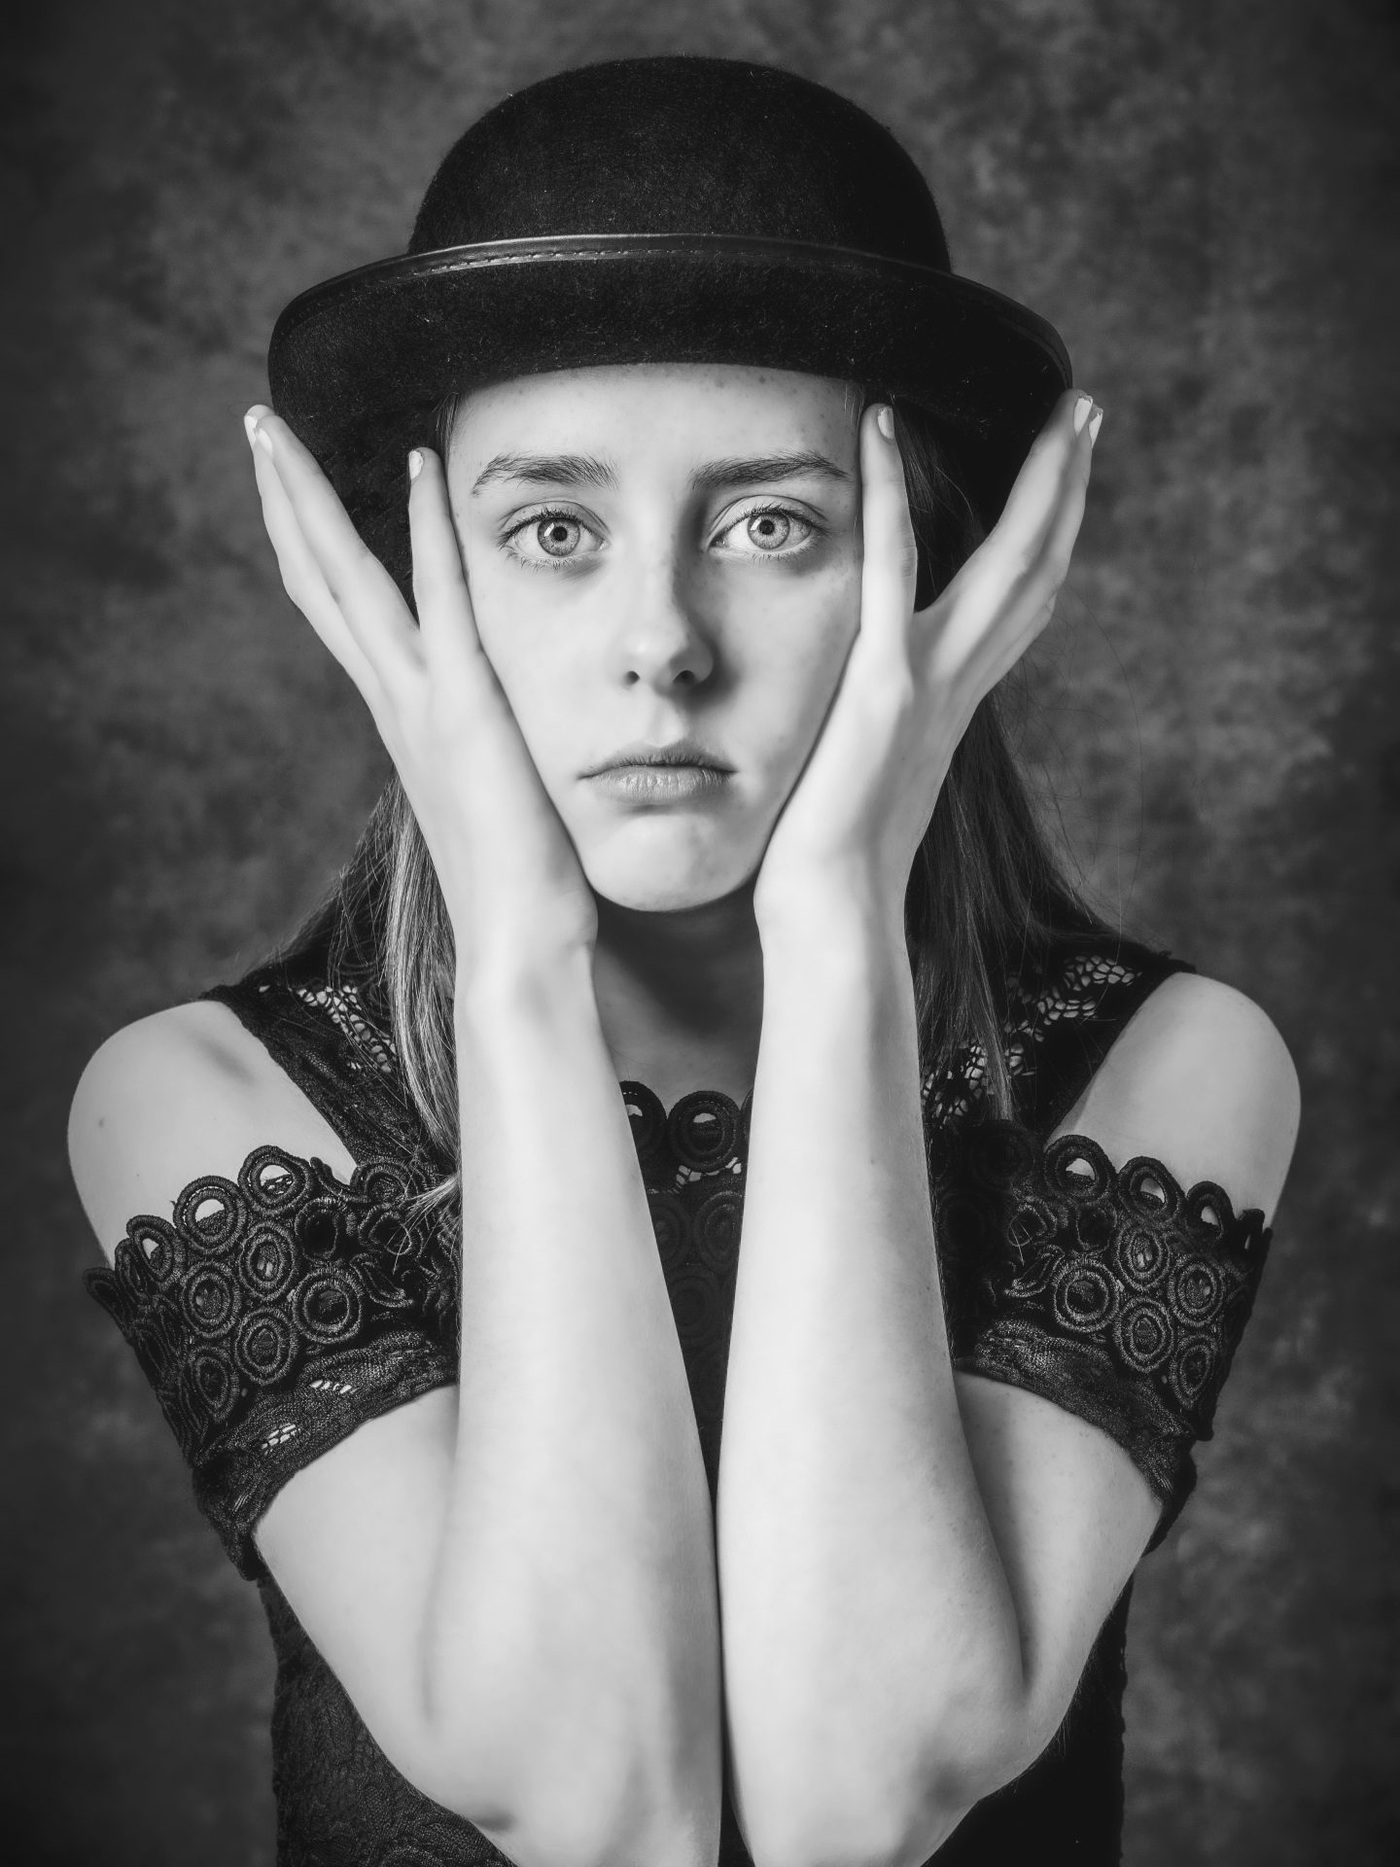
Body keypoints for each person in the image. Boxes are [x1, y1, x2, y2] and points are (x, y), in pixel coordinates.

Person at [67, 55, 1300, 1867]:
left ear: (925, 582)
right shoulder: (198, 1102)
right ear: (426, 592)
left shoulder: (1172, 1067)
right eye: (552, 531)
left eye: (769, 525)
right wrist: (519, 963)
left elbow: (852, 1807)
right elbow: (601, 1813)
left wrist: (838, 927)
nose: (660, 641)